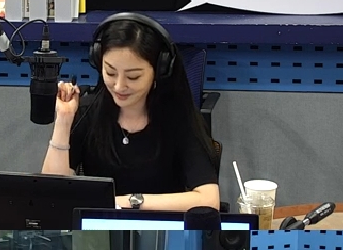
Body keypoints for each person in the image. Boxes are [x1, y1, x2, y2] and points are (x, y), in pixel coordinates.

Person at [42, 13, 219, 211]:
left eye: (133, 77)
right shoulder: (87, 111)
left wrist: (129, 202)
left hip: (162, 226)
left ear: (159, 71)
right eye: (110, 72)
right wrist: (64, 119)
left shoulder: (179, 118)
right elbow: (52, 194)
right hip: (100, 226)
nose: (119, 86)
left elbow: (209, 199)